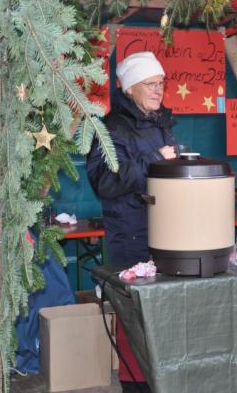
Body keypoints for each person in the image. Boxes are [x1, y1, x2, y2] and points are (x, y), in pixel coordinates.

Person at [87, 51, 176, 393]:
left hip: (165, 232)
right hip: (130, 237)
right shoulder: (111, 128)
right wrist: (154, 160)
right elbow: (104, 182)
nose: (158, 90)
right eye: (150, 84)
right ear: (129, 88)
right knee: (134, 318)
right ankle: (134, 386)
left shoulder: (160, 123)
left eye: (161, 83)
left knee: (161, 316)